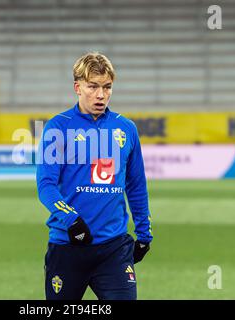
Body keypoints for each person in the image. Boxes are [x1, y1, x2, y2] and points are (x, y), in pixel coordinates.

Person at [36, 52, 153, 300]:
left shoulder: (126, 128)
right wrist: (71, 220)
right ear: (77, 87)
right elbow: (46, 185)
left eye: (107, 87)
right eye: (93, 87)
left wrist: (143, 234)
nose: (101, 95)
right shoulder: (58, 127)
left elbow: (136, 185)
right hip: (67, 246)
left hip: (113, 249)